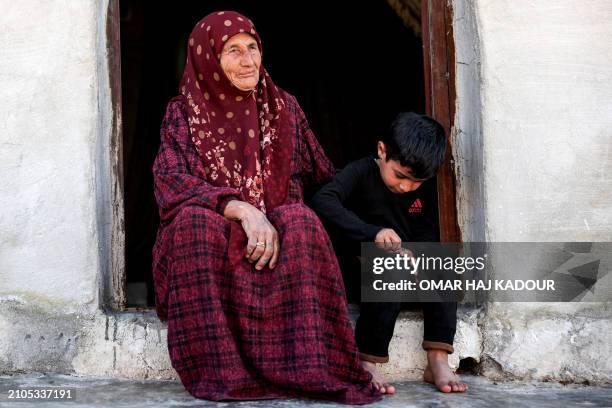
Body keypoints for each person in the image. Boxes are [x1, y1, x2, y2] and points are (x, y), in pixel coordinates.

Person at [151, 11, 380, 404]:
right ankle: (224, 374)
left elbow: (326, 179)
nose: (248, 61)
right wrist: (239, 207)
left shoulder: (284, 108)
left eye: (252, 48)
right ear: (208, 59)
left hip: (278, 251)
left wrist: (382, 186)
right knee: (192, 223)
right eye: (234, 51)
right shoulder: (183, 113)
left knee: (300, 218)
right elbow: (169, 181)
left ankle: (316, 367)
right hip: (214, 246)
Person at [310, 112, 468, 394]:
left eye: (415, 182)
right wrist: (371, 232)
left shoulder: (427, 188)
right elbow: (322, 200)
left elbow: (428, 232)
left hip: (409, 272)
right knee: (389, 266)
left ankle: (437, 358)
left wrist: (418, 255)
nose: (406, 186)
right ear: (382, 150)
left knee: (444, 263)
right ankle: (369, 361)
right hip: (360, 272)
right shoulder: (361, 172)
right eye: (400, 176)